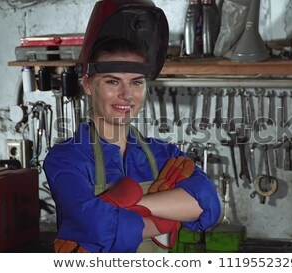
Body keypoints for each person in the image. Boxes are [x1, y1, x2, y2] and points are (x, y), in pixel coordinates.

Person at [43, 0, 221, 253]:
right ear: (88, 85)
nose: (127, 95)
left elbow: (208, 205)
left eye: (136, 82)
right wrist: (164, 219)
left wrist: (126, 206)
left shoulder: (165, 154)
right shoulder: (67, 159)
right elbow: (98, 228)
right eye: (113, 82)